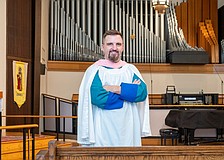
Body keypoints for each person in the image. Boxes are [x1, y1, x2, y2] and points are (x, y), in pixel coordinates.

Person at [78, 29, 151, 147]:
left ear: (122, 47)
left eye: (118, 44)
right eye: (110, 44)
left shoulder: (130, 70)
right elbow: (98, 97)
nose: (114, 47)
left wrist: (113, 88)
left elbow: (142, 93)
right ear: (102, 47)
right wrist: (128, 93)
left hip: (128, 128)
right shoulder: (95, 70)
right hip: (103, 128)